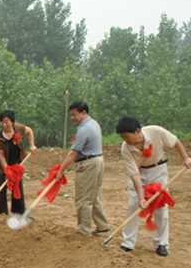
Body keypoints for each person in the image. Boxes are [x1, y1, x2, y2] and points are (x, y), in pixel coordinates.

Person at [116, 116, 191, 256]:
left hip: (158, 171)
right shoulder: (125, 148)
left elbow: (175, 141)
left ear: (137, 131)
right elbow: (135, 175)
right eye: (122, 137)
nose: (125, 140)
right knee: (134, 205)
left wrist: (185, 158)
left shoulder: (156, 131)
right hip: (140, 173)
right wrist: (141, 197)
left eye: (126, 136)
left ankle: (161, 243)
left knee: (160, 207)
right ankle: (128, 243)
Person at [55, 101, 110, 236]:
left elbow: (73, 153)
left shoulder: (84, 129)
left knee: (83, 199)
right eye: (71, 115)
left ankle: (84, 231)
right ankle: (102, 225)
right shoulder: (94, 123)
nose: (73, 118)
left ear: (84, 112)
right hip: (98, 160)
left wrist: (61, 171)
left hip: (88, 164)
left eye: (75, 115)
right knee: (93, 196)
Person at [0, 109, 37, 215]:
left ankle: (19, 212)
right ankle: (3, 214)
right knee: (1, 189)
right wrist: (7, 170)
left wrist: (32, 145)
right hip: (2, 166)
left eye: (6, 121)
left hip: (17, 163)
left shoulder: (18, 128)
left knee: (17, 186)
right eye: (2, 122)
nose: (4, 124)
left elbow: (29, 131)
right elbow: (1, 156)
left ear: (12, 121)